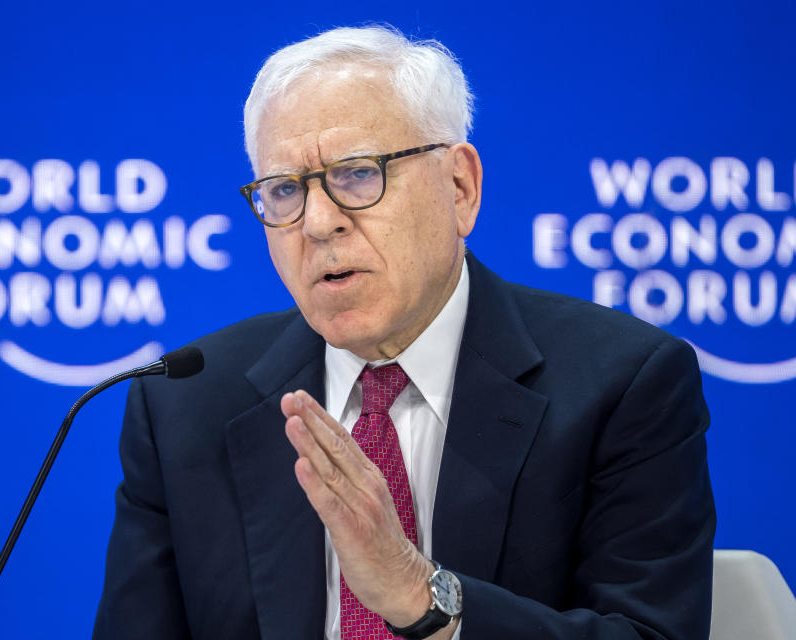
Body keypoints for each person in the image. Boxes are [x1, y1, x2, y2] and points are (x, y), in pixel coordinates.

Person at [93, 25, 715, 640]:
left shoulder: (623, 384)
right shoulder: (183, 403)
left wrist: (419, 594)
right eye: (284, 190)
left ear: (460, 187)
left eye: (359, 174)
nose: (318, 223)